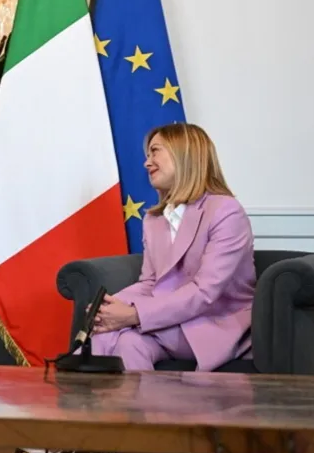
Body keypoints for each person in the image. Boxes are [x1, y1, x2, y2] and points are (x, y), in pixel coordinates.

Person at [91, 122, 255, 371]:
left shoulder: (225, 211)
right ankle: (125, 400)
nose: (147, 163)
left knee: (115, 330)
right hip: (170, 320)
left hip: (213, 323)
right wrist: (106, 309)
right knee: (125, 341)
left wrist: (134, 315)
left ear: (183, 154)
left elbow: (205, 292)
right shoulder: (153, 219)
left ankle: (84, 392)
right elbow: (150, 283)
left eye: (155, 152)